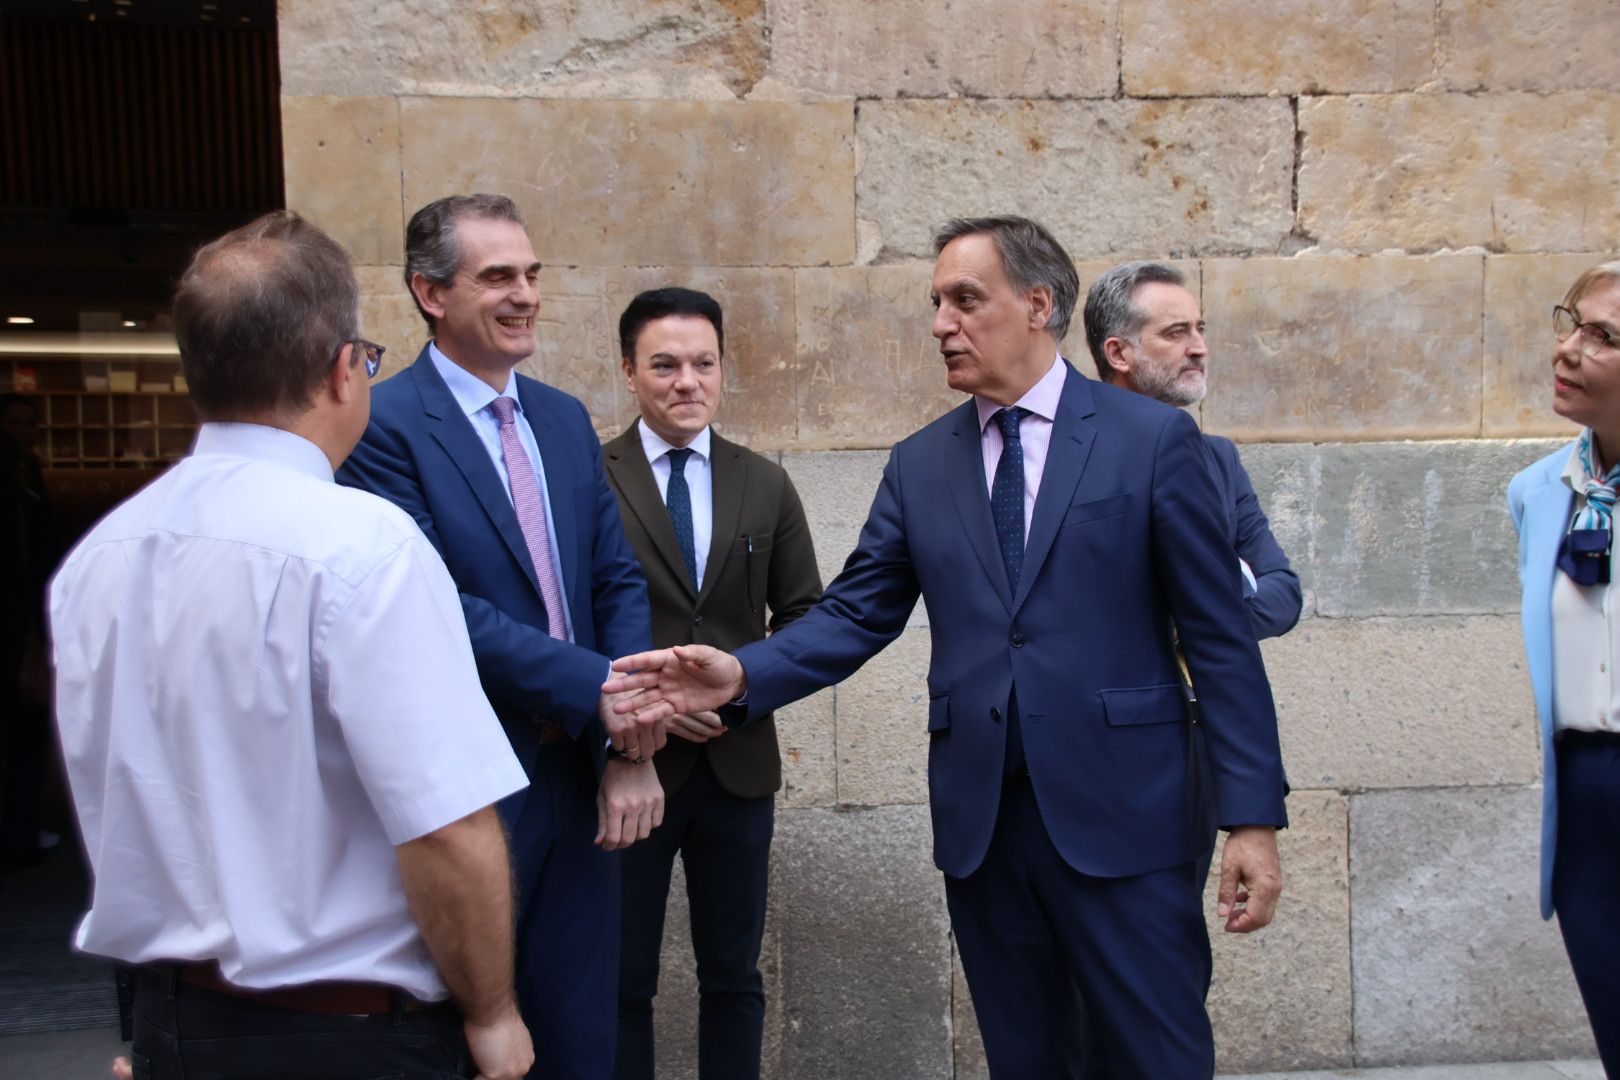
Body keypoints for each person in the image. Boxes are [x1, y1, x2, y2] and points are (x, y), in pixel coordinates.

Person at [607, 216, 1288, 1079]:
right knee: (1027, 1058)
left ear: (1038, 305)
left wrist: (1253, 819)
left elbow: (1222, 642)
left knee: (1154, 1057)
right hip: (985, 829)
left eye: (965, 300)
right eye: (936, 303)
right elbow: (856, 612)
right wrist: (744, 672)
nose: (940, 323)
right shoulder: (921, 463)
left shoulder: (1150, 442)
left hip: (1132, 819)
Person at [48, 211, 533, 1080]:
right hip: (342, 1034)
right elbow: (448, 828)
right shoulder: (363, 546)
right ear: (344, 369)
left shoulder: (99, 555)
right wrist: (494, 1012)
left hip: (169, 1021)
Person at [338, 193, 661, 1080]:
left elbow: (615, 579)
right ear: (430, 293)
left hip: (582, 779)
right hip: (471, 791)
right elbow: (433, 609)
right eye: (498, 277)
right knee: (475, 1048)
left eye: (531, 274)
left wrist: (625, 735)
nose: (525, 295)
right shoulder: (383, 425)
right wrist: (599, 687)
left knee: (581, 1041)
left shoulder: (561, 418)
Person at [603, 288, 822, 1080]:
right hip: (626, 767)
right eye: (664, 364)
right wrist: (640, 708)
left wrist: (737, 690)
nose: (686, 381)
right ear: (630, 371)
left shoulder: (764, 483)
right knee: (622, 979)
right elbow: (567, 617)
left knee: (734, 976)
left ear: (724, 371)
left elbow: (808, 618)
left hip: (737, 768)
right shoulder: (591, 476)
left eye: (703, 364)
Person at [1083, 260, 1301, 885]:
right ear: (1118, 352)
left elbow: (1282, 593)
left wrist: (1186, 620)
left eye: (1200, 328)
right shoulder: (1078, 461)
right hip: (1104, 757)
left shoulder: (1217, 458)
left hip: (1195, 752)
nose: (1199, 347)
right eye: (1176, 332)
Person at [1507, 259, 1620, 1075]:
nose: (1567, 349)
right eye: (1570, 322)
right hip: (1586, 795)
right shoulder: (1539, 490)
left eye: (1603, 336)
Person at [0, 393, 60, 870]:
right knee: (21, 734)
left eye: (30, 422)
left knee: (27, 735)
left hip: (28, 621)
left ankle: (20, 829)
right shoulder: (12, 485)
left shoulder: (29, 477)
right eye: (16, 422)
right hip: (16, 625)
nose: (25, 431)